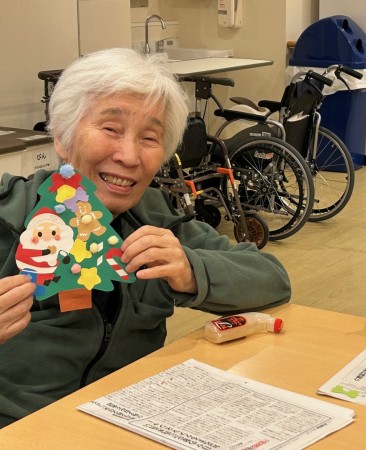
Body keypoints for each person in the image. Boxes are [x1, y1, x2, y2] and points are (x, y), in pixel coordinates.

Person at [0, 48, 291, 428]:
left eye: (150, 137)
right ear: (62, 137)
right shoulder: (9, 219)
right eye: (110, 129)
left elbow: (273, 280)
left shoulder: (155, 219)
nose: (129, 156)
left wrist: (191, 270)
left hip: (128, 422)